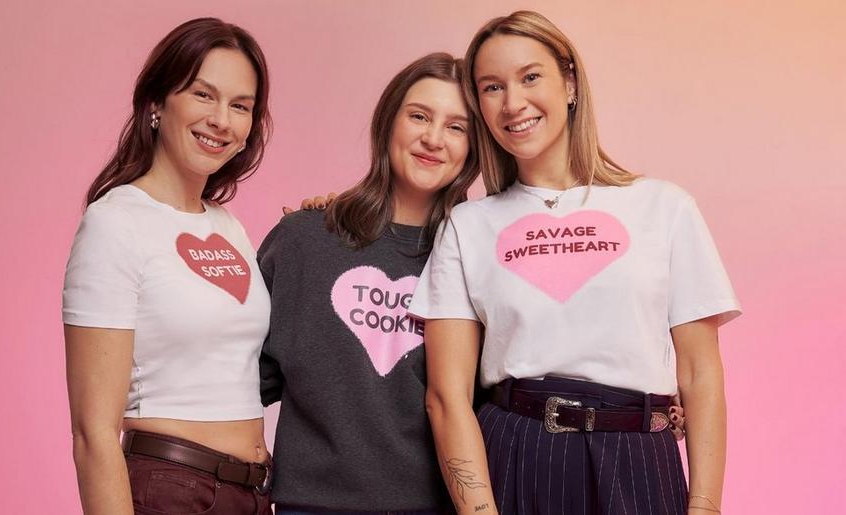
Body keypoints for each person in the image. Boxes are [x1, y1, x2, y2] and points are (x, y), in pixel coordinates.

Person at [410, 11, 740, 515]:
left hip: (640, 460)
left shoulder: (664, 207)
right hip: (518, 453)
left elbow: (699, 373)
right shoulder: (468, 225)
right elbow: (446, 397)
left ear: (569, 81)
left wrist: (705, 506)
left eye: (530, 77)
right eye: (492, 87)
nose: (513, 103)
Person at [63, 18, 273, 514]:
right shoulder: (115, 223)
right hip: (173, 491)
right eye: (203, 95)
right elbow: (92, 432)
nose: (222, 119)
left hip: (254, 493)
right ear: (156, 103)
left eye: (240, 106)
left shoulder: (229, 228)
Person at [258, 53, 479, 514]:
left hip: (437, 505)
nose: (433, 139)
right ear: (388, 122)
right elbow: (243, 379)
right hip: (311, 505)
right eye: (419, 115)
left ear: (475, 147)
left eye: (457, 127)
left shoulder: (477, 257)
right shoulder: (304, 239)